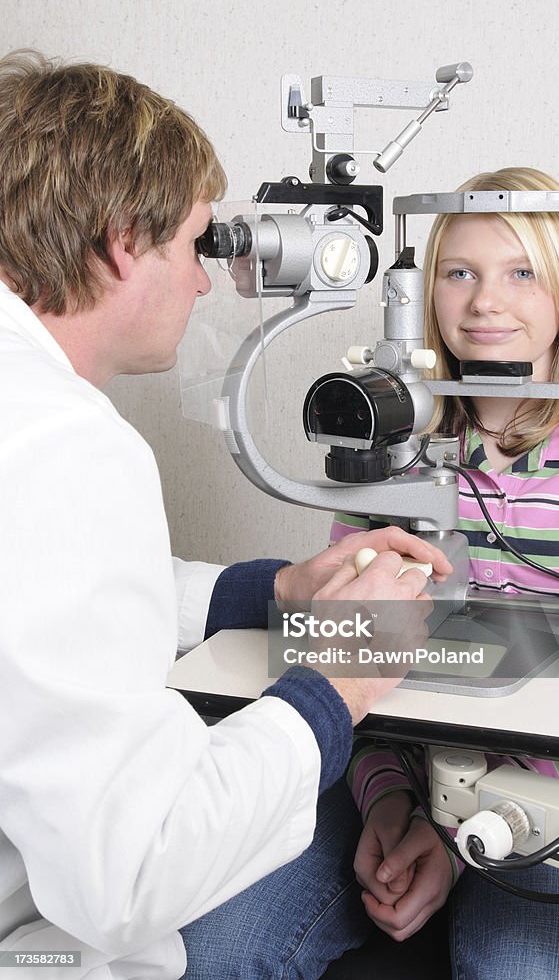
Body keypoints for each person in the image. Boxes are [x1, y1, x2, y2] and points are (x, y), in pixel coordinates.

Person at [0, 50, 453, 980]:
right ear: (126, 238)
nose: (205, 282)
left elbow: (47, 596)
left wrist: (279, 587)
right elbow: (126, 873)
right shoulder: (63, 446)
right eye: (195, 244)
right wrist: (339, 682)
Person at [330, 167, 559, 979]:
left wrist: (452, 839)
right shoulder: (391, 442)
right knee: (223, 943)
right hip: (401, 780)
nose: (486, 302)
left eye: (522, 272)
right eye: (461, 273)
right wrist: (388, 799)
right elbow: (347, 656)